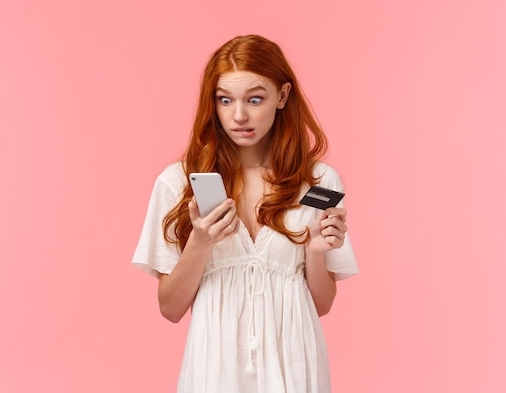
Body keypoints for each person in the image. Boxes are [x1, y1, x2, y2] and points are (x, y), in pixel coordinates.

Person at [132, 34, 359, 393]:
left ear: (282, 96)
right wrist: (201, 244)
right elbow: (170, 308)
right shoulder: (178, 183)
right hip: (214, 372)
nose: (239, 115)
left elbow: (321, 304)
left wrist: (316, 250)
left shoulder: (316, 183)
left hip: (295, 369)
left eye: (255, 99)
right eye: (225, 100)